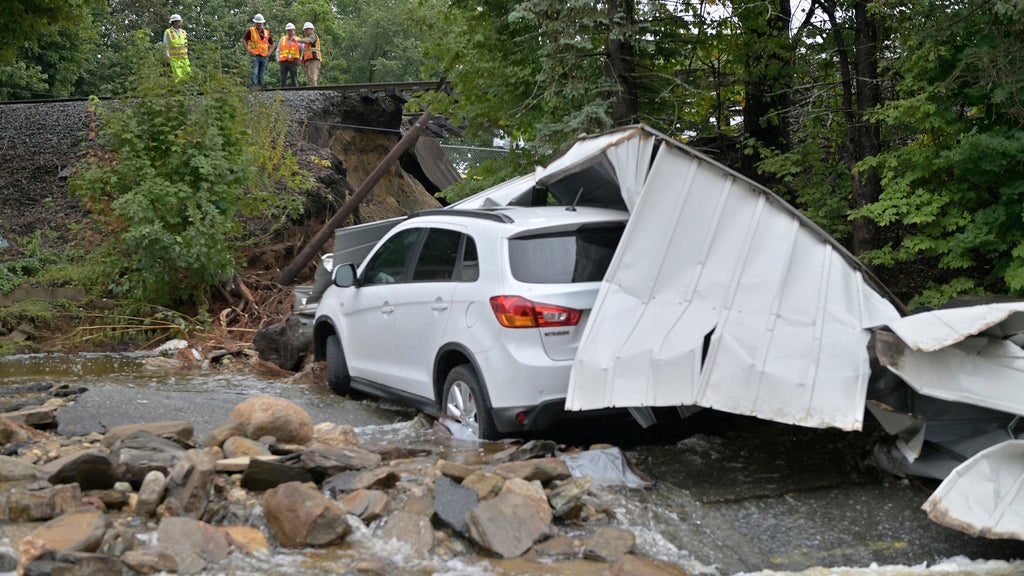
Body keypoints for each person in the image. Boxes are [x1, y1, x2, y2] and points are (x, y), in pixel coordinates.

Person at [241, 14, 273, 89]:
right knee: (254, 72)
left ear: (262, 23)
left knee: (261, 73)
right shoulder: (251, 30)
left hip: (264, 56)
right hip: (254, 55)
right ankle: (253, 87)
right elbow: (243, 39)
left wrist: (269, 52)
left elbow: (272, 44)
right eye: (257, 23)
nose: (259, 24)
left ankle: (259, 88)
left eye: (260, 23)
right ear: (255, 23)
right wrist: (247, 49)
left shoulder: (266, 32)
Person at [163, 14, 190, 82]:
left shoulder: (183, 32)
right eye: (180, 21)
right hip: (174, 59)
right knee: (178, 76)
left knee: (188, 73)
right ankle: (179, 90)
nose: (181, 23)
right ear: (174, 22)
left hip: (184, 58)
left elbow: (185, 44)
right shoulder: (168, 32)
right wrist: (167, 55)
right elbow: (165, 44)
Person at [276, 23, 301, 87]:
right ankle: (281, 94)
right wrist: (278, 59)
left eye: (291, 30)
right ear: (287, 31)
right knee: (283, 79)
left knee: (294, 79)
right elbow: (278, 50)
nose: (290, 32)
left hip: (293, 61)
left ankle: (296, 93)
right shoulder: (282, 39)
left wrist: (301, 58)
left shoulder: (298, 39)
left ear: (294, 31)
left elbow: (304, 49)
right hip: (283, 61)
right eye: (288, 30)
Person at [298, 22, 321, 87]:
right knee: (310, 78)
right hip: (309, 61)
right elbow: (305, 51)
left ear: (310, 29)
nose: (305, 32)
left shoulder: (313, 36)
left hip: (313, 60)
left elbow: (307, 41)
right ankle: (312, 91)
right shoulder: (308, 39)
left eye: (306, 30)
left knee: (312, 77)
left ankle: (313, 91)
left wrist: (297, 40)